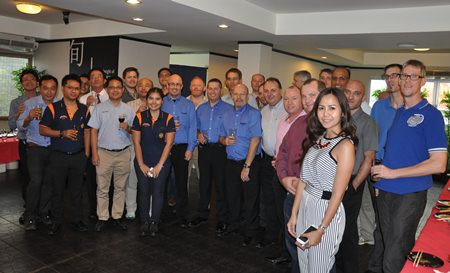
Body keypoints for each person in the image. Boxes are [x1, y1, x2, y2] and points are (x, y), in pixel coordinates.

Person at [371, 60, 447, 273]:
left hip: (409, 193)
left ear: (422, 81)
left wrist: (393, 174)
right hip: (387, 190)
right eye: (404, 75)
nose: (407, 80)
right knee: (389, 244)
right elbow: (395, 154)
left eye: (414, 76)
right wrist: (383, 180)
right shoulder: (400, 112)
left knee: (394, 253)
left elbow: (439, 164)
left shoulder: (431, 115)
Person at [287, 87, 356, 273]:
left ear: (342, 112)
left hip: (326, 211)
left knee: (319, 268)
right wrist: (294, 213)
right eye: (321, 108)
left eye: (332, 108)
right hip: (306, 206)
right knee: (304, 265)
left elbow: (338, 193)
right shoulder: (320, 138)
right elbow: (303, 179)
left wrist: (321, 229)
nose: (326, 114)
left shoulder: (345, 145)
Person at [276, 79, 325, 272]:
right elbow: (282, 153)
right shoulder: (298, 124)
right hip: (292, 195)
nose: (307, 100)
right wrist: (284, 178)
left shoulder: (331, 127)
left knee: (318, 253)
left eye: (311, 95)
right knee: (294, 245)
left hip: (316, 201)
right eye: (304, 96)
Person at [39, 74, 90, 235]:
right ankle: (56, 221)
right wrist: (62, 133)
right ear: (63, 88)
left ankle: (75, 220)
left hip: (78, 156)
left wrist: (87, 153)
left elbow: (87, 132)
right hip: (58, 156)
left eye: (77, 88)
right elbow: (42, 129)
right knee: (57, 190)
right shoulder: (53, 108)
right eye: (70, 88)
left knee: (76, 191)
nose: (74, 91)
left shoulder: (84, 109)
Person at [336, 80, 378, 273]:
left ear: (363, 97)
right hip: (332, 180)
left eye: (356, 93)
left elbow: (369, 159)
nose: (351, 96)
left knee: (347, 230)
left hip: (352, 183)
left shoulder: (368, 123)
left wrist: (354, 185)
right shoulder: (336, 116)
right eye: (348, 92)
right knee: (332, 228)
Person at [365, 63, 403, 273]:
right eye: (386, 76)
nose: (390, 80)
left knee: (397, 225)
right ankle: (376, 265)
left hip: (403, 173)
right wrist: (372, 167)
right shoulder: (379, 107)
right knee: (381, 221)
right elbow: (372, 139)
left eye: (394, 75)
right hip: (379, 170)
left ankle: (395, 264)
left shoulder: (411, 108)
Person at [89, 76, 135, 232]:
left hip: (123, 153)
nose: (115, 90)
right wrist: (94, 153)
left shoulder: (129, 109)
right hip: (104, 153)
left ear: (122, 90)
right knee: (102, 188)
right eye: (112, 87)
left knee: (120, 187)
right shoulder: (99, 108)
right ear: (107, 90)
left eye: (118, 87)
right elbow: (93, 131)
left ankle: (117, 216)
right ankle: (102, 217)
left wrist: (127, 127)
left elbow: (134, 132)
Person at [219, 83, 262, 247]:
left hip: (249, 162)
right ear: (231, 94)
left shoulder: (254, 114)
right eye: (235, 94)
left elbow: (256, 139)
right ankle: (234, 226)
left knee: (250, 200)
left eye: (242, 94)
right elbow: (221, 137)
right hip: (230, 162)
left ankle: (250, 232)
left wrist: (247, 166)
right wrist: (224, 140)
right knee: (233, 196)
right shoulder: (226, 114)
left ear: (247, 95)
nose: (238, 97)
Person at [188, 79, 233, 231]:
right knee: (204, 183)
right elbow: (195, 128)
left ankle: (222, 218)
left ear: (221, 90)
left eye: (216, 89)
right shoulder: (200, 108)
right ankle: (202, 214)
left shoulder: (229, 109)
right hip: (204, 150)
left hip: (221, 151)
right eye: (210, 88)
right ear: (206, 90)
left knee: (221, 185)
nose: (213, 91)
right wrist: (198, 134)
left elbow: (232, 131)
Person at [17, 74, 58, 231]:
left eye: (52, 88)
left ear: (56, 90)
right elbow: (20, 126)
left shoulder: (59, 105)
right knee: (35, 182)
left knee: (49, 183)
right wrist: (29, 117)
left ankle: (43, 213)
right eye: (45, 88)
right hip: (35, 148)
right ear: (40, 88)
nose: (49, 92)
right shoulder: (30, 103)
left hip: (53, 149)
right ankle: (30, 216)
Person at [132, 87, 175, 236]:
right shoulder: (139, 117)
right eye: (151, 98)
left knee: (158, 192)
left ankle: (154, 222)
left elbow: (169, 144)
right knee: (143, 192)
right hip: (142, 161)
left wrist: (159, 166)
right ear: (146, 100)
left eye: (157, 99)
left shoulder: (168, 118)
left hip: (162, 163)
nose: (154, 102)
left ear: (162, 101)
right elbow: (136, 142)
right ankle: (144, 221)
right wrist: (141, 164)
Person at [161, 74, 197, 227]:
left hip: (182, 148)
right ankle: (162, 214)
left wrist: (190, 148)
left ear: (182, 86)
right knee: (163, 182)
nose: (174, 87)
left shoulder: (188, 105)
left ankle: (182, 215)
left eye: (178, 84)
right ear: (167, 86)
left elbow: (193, 128)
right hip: (163, 147)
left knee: (182, 183)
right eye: (172, 84)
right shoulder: (160, 102)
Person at [258, 77, 287, 248]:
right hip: (266, 160)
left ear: (280, 91)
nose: (269, 94)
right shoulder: (264, 111)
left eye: (273, 90)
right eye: (266, 91)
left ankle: (284, 240)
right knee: (268, 199)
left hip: (282, 162)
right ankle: (271, 234)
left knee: (281, 202)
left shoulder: (288, 109)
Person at [79, 68, 109, 220]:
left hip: (108, 144)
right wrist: (86, 106)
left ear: (104, 79)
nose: (96, 79)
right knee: (91, 179)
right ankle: (93, 209)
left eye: (99, 76)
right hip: (90, 145)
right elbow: (80, 123)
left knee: (107, 180)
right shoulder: (82, 99)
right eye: (93, 77)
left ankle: (107, 209)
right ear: (89, 81)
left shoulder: (112, 96)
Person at [9, 69, 38, 205]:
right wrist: (18, 114)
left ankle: (42, 207)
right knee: (27, 175)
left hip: (44, 143)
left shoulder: (44, 98)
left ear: (37, 82)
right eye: (25, 80)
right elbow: (12, 125)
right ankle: (29, 206)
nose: (29, 81)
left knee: (43, 176)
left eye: (32, 78)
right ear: (22, 84)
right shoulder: (16, 103)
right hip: (25, 143)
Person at [125, 77, 153, 220]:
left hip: (151, 149)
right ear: (136, 88)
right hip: (133, 147)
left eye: (147, 85)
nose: (143, 88)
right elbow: (126, 128)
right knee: (131, 179)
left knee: (150, 180)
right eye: (140, 85)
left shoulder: (157, 103)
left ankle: (149, 209)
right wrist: (137, 114)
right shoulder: (129, 105)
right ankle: (130, 209)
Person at [187, 76, 208, 183]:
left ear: (204, 88)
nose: (196, 87)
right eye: (193, 85)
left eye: (199, 85)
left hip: (203, 145)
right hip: (186, 144)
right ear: (189, 87)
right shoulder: (183, 102)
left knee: (204, 176)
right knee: (183, 176)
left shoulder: (210, 104)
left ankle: (204, 200)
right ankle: (183, 200)